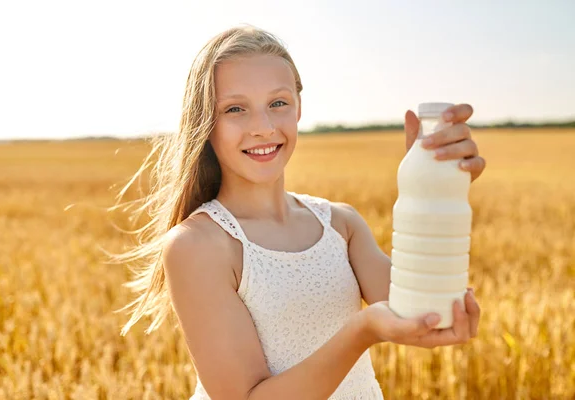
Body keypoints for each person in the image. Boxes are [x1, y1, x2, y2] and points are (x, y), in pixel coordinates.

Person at [114, 24, 485, 400]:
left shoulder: (340, 225)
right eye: (235, 109)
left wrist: (435, 186)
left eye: (278, 103)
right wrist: (362, 331)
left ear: (298, 107)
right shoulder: (199, 245)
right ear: (206, 123)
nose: (263, 127)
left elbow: (425, 313)